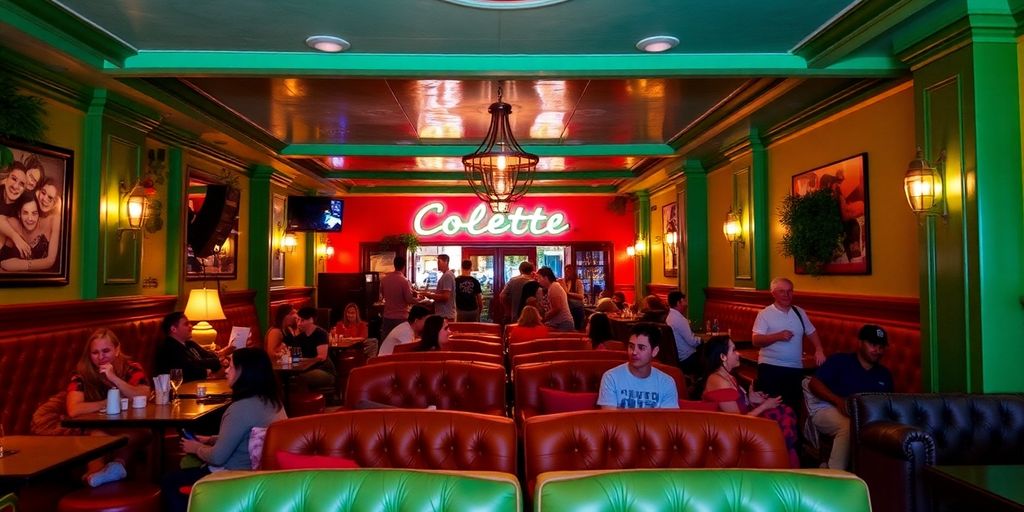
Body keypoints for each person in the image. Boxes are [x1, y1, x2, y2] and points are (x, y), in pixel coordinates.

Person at [162, 348, 287, 512]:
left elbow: (218, 457)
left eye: (232, 367)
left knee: (168, 480)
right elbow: (247, 435)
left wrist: (195, 448)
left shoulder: (239, 408)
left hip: (234, 475)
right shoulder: (275, 402)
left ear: (244, 372)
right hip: (264, 474)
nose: (226, 371)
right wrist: (212, 439)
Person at [65, 329, 151, 487]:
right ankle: (95, 477)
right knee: (96, 435)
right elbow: (73, 409)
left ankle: (116, 466)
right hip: (96, 426)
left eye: (106, 351)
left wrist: (114, 378)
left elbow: (144, 394)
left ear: (117, 350)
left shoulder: (131, 368)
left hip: (128, 425)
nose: (101, 357)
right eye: (95, 353)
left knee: (142, 433)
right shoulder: (81, 374)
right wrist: (108, 402)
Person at [702, 335, 799, 468]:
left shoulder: (728, 377)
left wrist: (751, 399)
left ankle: (783, 458)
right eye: (734, 350)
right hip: (733, 433)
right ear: (723, 357)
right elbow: (738, 422)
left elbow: (738, 404)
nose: (738, 354)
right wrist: (764, 406)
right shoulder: (719, 382)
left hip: (744, 423)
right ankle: (782, 461)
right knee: (782, 421)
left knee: (785, 411)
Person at [807, 324, 894, 470]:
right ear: (860, 343)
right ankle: (835, 478)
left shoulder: (884, 374)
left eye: (881, 347)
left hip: (868, 418)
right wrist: (838, 401)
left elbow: (888, 404)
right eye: (873, 345)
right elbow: (813, 384)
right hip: (829, 408)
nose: (877, 350)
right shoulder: (840, 361)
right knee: (848, 426)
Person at [752, 277, 826, 410]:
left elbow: (811, 331)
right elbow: (756, 340)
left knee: (793, 408)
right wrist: (778, 336)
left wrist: (819, 349)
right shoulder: (764, 314)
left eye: (789, 291)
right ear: (773, 293)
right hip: (770, 368)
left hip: (795, 368)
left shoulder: (799, 312)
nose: (786, 295)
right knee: (773, 411)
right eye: (782, 291)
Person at [597, 323, 679, 409]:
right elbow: (610, 420)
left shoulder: (667, 382)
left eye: (641, 348)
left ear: (655, 351)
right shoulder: (611, 378)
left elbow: (668, 421)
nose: (634, 352)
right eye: (631, 346)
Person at [155, 312, 222, 382]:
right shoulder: (168, 348)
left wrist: (216, 362)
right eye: (186, 324)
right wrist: (208, 369)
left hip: (200, 383)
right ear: (173, 329)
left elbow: (210, 356)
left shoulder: (189, 343)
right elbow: (189, 369)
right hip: (184, 388)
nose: (191, 326)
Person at [0, 194, 58, 271]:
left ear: (38, 214)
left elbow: (50, 261)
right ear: (19, 214)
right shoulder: (13, 223)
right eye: (25, 213)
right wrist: (16, 238)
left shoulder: (52, 221)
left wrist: (22, 265)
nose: (30, 218)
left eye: (34, 213)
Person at [287, 307, 336, 389]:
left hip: (323, 370)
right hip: (305, 370)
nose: (299, 323)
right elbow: (295, 359)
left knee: (300, 378)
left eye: (302, 320)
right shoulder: (299, 337)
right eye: (298, 320)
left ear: (311, 320)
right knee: (288, 379)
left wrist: (303, 360)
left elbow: (322, 357)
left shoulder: (321, 334)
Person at [380, 255, 420, 340]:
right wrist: (419, 300)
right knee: (400, 343)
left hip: (387, 317)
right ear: (404, 266)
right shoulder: (404, 281)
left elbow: (382, 296)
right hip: (401, 317)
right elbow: (409, 299)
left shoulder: (384, 280)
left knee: (387, 342)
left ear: (394, 265)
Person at [665, 291, 701, 375]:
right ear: (678, 303)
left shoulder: (669, 317)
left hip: (675, 358)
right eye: (684, 301)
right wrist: (701, 340)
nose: (686, 304)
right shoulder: (679, 319)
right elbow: (692, 342)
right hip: (687, 359)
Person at [537, 266, 575, 332]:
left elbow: (557, 308)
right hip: (561, 323)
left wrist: (543, 318)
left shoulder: (554, 287)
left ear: (545, 278)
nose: (538, 281)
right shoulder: (552, 287)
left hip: (563, 324)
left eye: (539, 278)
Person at [420, 254, 455, 321]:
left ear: (446, 262)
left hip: (445, 315)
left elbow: (445, 296)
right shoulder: (446, 275)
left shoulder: (447, 275)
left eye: (439, 262)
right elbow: (442, 292)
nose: (437, 264)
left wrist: (430, 295)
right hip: (443, 314)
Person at [563, 264, 586, 330]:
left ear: (573, 272)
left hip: (577, 308)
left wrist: (568, 293)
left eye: (568, 271)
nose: (566, 273)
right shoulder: (564, 281)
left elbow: (581, 296)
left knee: (577, 328)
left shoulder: (577, 282)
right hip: (568, 308)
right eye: (565, 271)